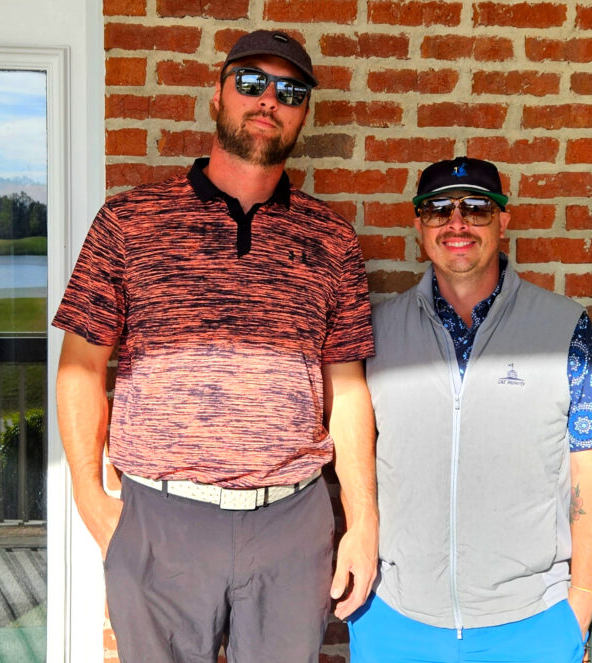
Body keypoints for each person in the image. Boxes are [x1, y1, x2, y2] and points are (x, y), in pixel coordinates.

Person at [53, 29, 378, 663]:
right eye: (251, 83)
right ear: (218, 95)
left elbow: (349, 390)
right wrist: (90, 499)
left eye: (290, 91)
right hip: (161, 519)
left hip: (291, 520)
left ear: (304, 112)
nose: (269, 101)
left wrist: (361, 521)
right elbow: (81, 367)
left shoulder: (331, 241)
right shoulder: (128, 222)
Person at [349, 157, 592, 663]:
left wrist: (581, 604)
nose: (457, 223)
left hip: (531, 623)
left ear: (503, 220)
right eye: (438, 209)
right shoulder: (377, 330)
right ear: (419, 225)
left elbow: (591, 466)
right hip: (395, 619)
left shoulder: (563, 326)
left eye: (476, 208)